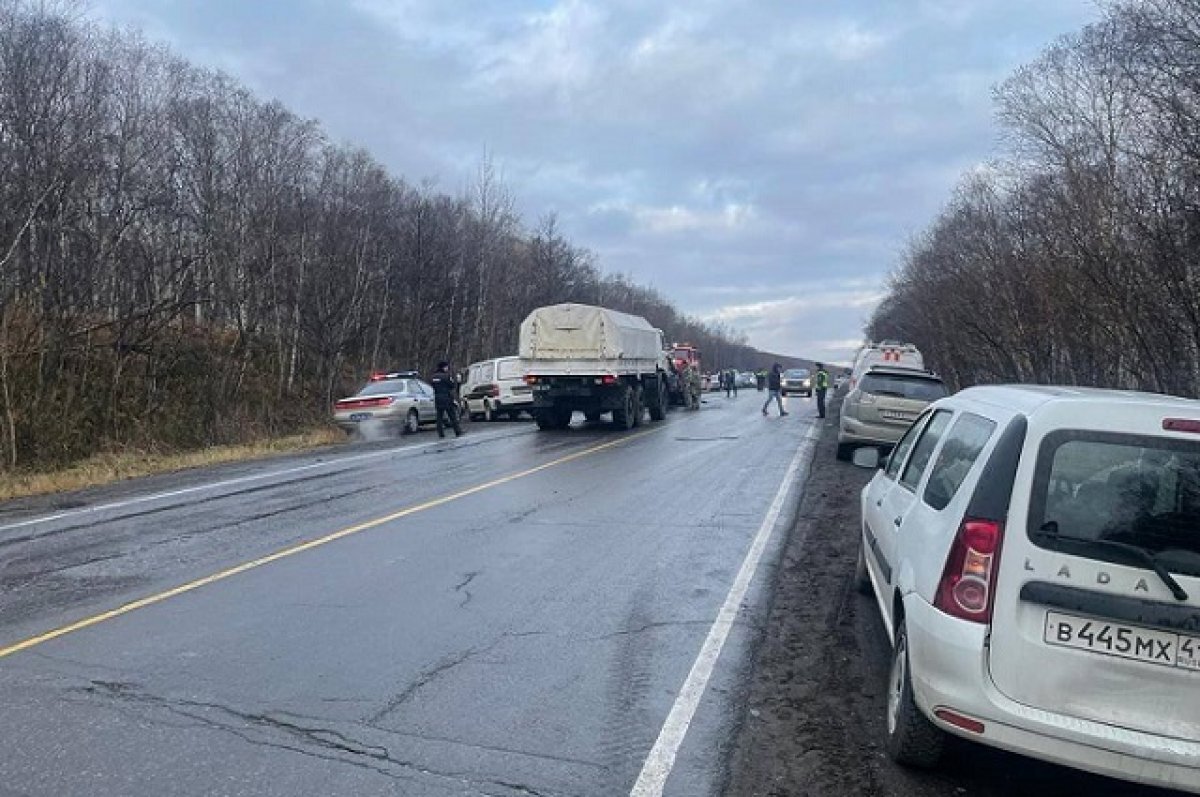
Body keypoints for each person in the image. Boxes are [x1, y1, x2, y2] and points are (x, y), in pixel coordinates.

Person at [429, 360, 462, 437]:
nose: (447, 368)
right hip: (446, 397)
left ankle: (440, 433)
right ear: (443, 367)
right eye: (446, 367)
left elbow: (432, 385)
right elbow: (452, 385)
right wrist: (458, 382)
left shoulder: (433, 377)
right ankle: (457, 431)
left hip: (437, 398)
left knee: (439, 417)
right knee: (452, 415)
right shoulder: (446, 376)